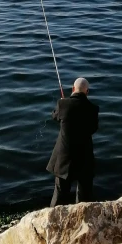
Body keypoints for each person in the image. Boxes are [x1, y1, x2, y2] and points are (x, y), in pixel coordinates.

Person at [46, 77, 99, 206]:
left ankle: (54, 221)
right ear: (87, 92)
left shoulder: (63, 104)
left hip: (64, 157)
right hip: (84, 157)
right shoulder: (93, 109)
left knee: (60, 194)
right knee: (84, 197)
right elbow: (93, 129)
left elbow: (54, 116)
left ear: (73, 89)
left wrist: (64, 103)